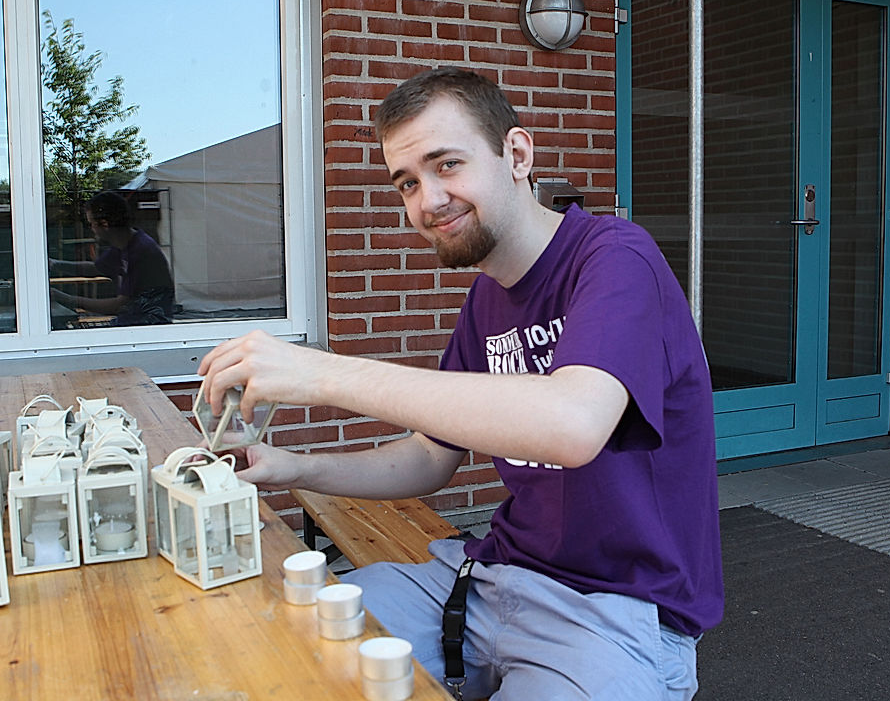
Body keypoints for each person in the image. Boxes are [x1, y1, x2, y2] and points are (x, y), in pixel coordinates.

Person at [197, 68, 723, 700]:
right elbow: (428, 455)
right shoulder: (486, 299)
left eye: (447, 164)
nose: (428, 200)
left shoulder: (616, 258)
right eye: (407, 182)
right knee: (278, 648)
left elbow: (573, 424)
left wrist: (324, 372)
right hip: (489, 578)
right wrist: (290, 466)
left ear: (517, 155)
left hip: (617, 611)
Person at [50, 190, 175, 326]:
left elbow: (119, 305)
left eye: (91, 223)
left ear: (104, 224)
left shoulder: (141, 252)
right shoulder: (126, 244)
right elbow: (95, 269)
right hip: (134, 322)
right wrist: (54, 264)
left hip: (147, 328)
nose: (91, 229)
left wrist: (66, 299)